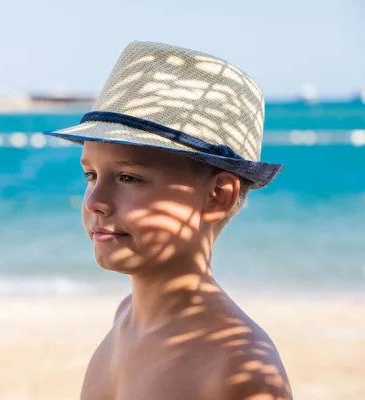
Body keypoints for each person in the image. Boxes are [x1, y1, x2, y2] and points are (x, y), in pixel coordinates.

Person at [43, 41, 293, 400]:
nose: (95, 202)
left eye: (128, 178)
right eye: (91, 176)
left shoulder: (238, 371)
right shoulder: (126, 318)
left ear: (217, 196)